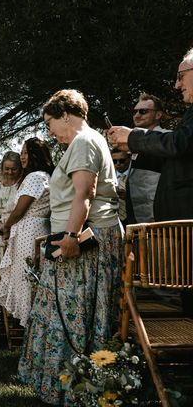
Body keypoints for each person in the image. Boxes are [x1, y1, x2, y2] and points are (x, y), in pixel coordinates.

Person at [18, 90, 123, 406]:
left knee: (75, 310)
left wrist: (72, 238)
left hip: (85, 237)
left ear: (66, 114)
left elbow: (85, 195)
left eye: (50, 122)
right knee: (64, 309)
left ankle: (80, 386)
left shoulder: (84, 142)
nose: (49, 131)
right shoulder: (85, 142)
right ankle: (73, 384)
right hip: (77, 233)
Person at [108, 47, 193, 314]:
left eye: (181, 76)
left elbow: (181, 144)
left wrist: (133, 138)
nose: (176, 84)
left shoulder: (168, 135)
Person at [0, 138, 53, 326]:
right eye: (22, 152)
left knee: (26, 278)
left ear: (36, 154)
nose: (22, 157)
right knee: (31, 276)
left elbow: (20, 210)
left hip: (28, 231)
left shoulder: (34, 177)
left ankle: (30, 324)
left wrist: (6, 228)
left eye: (26, 152)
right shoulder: (46, 175)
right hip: (38, 229)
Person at [125, 93, 168, 224]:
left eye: (143, 111)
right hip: (137, 221)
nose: (137, 115)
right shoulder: (135, 143)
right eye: (135, 111)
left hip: (159, 223)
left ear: (158, 115)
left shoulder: (166, 140)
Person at [0, 151, 22, 246]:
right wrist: (1, 226)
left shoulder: (23, 185)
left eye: (14, 169)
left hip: (19, 228)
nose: (10, 172)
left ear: (19, 168)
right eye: (7, 169)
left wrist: (9, 227)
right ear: (2, 168)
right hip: (3, 231)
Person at [110, 148, 130, 225]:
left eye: (122, 161)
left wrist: (128, 196)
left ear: (129, 159)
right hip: (115, 218)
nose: (118, 164)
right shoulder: (109, 176)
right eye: (114, 161)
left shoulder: (136, 176)